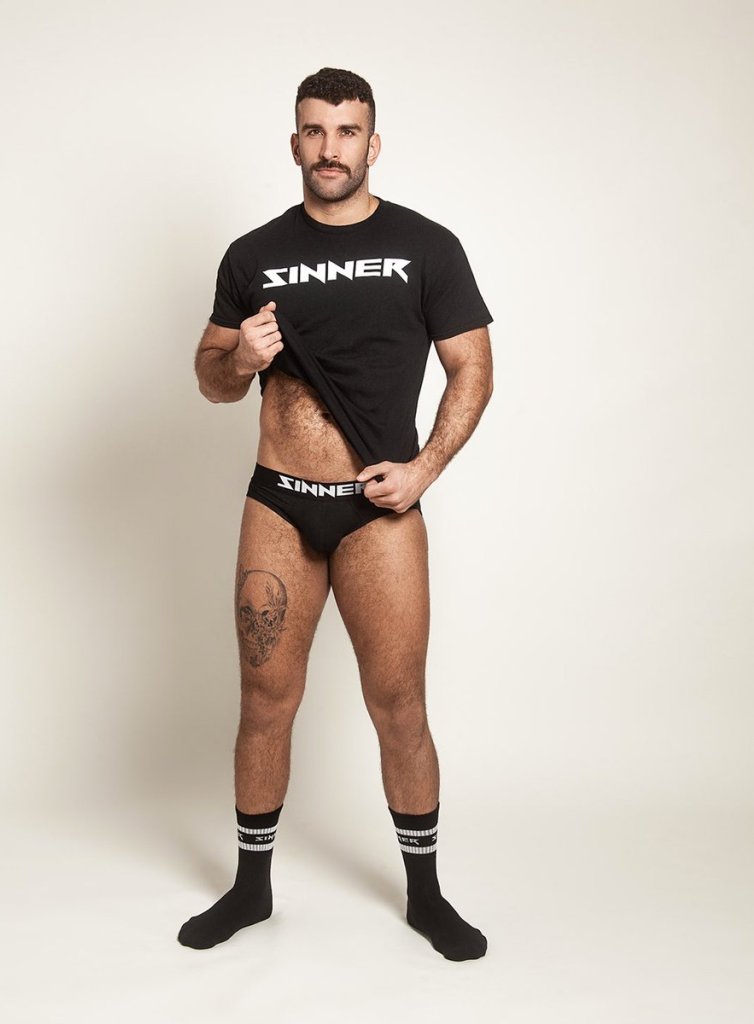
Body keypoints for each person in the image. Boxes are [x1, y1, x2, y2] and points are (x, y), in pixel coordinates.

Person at [178, 67, 494, 962]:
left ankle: (426, 896)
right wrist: (240, 358)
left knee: (399, 706)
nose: (330, 148)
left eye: (347, 131)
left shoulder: (427, 247)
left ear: (372, 143)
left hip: (377, 515)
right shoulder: (252, 254)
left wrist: (424, 470)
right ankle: (251, 890)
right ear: (294, 143)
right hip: (278, 505)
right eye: (314, 131)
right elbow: (209, 379)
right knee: (264, 701)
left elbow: (473, 369)